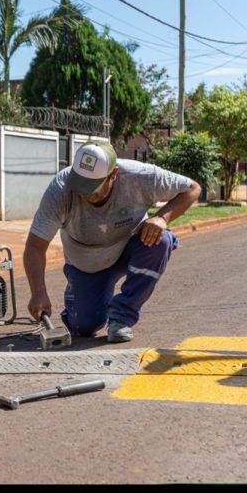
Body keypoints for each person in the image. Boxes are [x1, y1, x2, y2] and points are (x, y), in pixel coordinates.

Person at [24, 141, 201, 343]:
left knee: (161, 241)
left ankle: (122, 316)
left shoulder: (138, 177)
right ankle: (80, 298)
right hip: (86, 263)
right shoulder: (60, 190)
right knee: (85, 326)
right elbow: (35, 246)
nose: (85, 193)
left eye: (93, 187)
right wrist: (38, 293)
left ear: (113, 174)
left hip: (129, 246)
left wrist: (162, 218)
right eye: (80, 184)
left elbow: (192, 188)